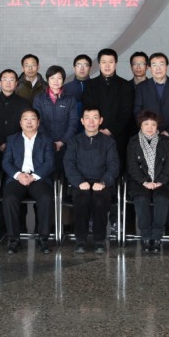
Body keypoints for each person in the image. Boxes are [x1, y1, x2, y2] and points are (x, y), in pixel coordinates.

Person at [64, 106, 120, 254]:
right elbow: (69, 164)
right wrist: (78, 181)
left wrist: (103, 182)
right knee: (81, 201)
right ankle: (80, 240)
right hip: (80, 183)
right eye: (87, 118)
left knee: (100, 201)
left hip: (101, 182)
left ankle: (99, 240)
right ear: (82, 121)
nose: (91, 121)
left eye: (95, 118)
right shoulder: (74, 141)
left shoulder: (109, 142)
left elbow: (113, 166)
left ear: (100, 120)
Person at [1, 109, 55, 254]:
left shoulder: (47, 140)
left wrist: (33, 176)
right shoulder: (12, 139)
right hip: (17, 178)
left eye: (33, 118)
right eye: (25, 119)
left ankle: (43, 239)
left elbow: (50, 163)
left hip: (38, 178)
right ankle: (14, 240)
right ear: (20, 123)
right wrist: (19, 175)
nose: (29, 122)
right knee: (9, 199)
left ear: (38, 122)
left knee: (46, 198)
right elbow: (6, 162)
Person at [126, 110, 169, 253]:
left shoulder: (165, 142)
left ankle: (157, 236)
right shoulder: (133, 142)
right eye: (146, 124)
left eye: (153, 124)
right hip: (140, 182)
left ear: (157, 126)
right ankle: (146, 236)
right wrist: (145, 182)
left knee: (161, 199)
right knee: (141, 199)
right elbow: (132, 167)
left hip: (162, 183)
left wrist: (160, 181)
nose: (150, 127)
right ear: (140, 125)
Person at [83, 48, 134, 162]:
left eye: (110, 62)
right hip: (95, 133)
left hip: (118, 136)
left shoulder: (125, 85)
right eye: (104, 62)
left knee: (117, 165)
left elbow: (127, 112)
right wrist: (97, 129)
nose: (107, 66)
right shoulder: (90, 85)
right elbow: (87, 109)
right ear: (99, 64)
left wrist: (111, 130)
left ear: (115, 64)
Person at [134, 52, 169, 154]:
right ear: (149, 68)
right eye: (154, 65)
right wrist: (149, 129)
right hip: (148, 138)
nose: (158, 68)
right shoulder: (141, 87)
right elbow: (137, 111)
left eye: (161, 64)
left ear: (167, 67)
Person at [32, 65, 78, 171]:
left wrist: (62, 141)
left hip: (65, 144)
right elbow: (37, 122)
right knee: (46, 171)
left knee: (64, 171)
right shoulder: (39, 98)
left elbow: (73, 122)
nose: (55, 81)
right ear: (48, 80)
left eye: (59, 78)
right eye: (52, 78)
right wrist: (50, 142)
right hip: (44, 143)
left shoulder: (70, 99)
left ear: (63, 80)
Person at [0, 69, 30, 156]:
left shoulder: (24, 103)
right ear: (0, 83)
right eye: (5, 79)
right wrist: (0, 142)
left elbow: (28, 125)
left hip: (18, 148)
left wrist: (14, 142)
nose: (8, 82)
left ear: (16, 83)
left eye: (11, 80)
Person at [62, 54, 92, 127]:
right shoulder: (65, 88)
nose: (82, 68)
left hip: (92, 125)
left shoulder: (96, 86)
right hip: (71, 127)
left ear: (90, 68)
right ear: (74, 68)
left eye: (85, 65)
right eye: (78, 65)